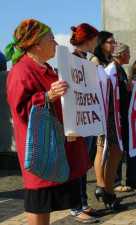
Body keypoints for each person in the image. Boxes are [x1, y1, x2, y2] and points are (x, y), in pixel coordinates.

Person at [5, 19, 91, 225]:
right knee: (39, 201)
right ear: (36, 44)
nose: (56, 43)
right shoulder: (21, 71)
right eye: (51, 39)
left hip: (57, 147)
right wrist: (47, 96)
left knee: (47, 202)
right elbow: (20, 111)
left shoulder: (46, 68)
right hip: (41, 150)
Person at [69, 23, 100, 223]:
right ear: (87, 40)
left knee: (83, 164)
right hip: (76, 121)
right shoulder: (71, 60)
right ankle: (75, 206)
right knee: (77, 164)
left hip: (86, 119)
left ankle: (82, 201)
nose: (96, 43)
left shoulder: (86, 61)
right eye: (94, 39)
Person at [92, 31, 123, 210]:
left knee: (117, 151)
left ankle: (110, 190)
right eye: (110, 42)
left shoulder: (112, 63)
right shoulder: (95, 61)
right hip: (101, 112)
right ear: (102, 43)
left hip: (114, 112)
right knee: (101, 149)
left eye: (114, 42)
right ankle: (101, 185)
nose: (113, 45)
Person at [112, 43, 136, 191]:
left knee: (127, 148)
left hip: (125, 114)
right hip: (118, 116)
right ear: (121, 54)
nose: (129, 55)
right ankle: (116, 182)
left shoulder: (120, 69)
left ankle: (131, 179)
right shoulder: (113, 69)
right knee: (118, 149)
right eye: (128, 53)